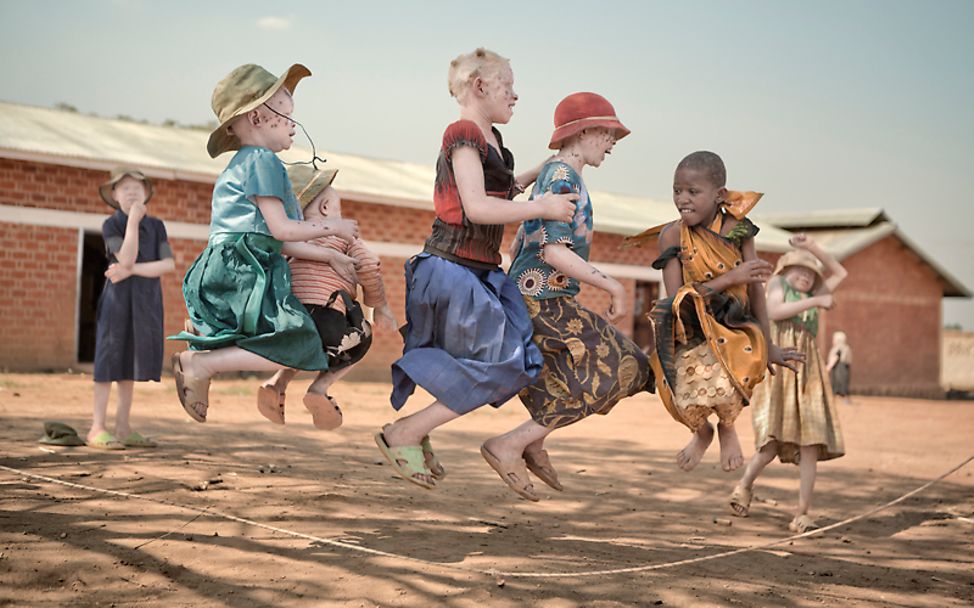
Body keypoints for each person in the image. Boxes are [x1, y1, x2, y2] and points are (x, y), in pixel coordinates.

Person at [375, 48, 578, 489]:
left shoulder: (493, 144)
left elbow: (500, 194)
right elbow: (476, 207)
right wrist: (541, 206)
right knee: (503, 363)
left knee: (519, 358)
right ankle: (405, 432)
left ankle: (417, 429)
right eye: (508, 85)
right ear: (480, 86)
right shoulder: (463, 133)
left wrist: (548, 167)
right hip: (453, 269)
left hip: (478, 273)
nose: (516, 95)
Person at [480, 92, 652, 501]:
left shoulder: (557, 173)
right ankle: (510, 444)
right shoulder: (563, 179)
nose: (611, 144)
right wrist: (612, 285)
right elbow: (554, 251)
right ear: (586, 131)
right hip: (544, 300)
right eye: (608, 134)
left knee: (557, 379)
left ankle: (533, 443)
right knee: (622, 367)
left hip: (529, 295)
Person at [168, 63, 359, 423]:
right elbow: (282, 229)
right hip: (245, 266)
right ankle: (200, 362)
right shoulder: (263, 161)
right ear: (257, 118)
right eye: (287, 116)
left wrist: (326, 257)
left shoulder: (249, 163)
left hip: (238, 260)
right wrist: (331, 227)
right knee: (294, 342)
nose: (293, 125)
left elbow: (278, 240)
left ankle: (205, 342)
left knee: (286, 339)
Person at [628, 151, 802, 473]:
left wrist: (769, 344)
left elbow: (755, 290)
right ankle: (703, 431)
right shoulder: (671, 235)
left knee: (728, 372)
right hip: (689, 323)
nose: (682, 199)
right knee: (677, 390)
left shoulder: (739, 230)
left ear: (719, 195)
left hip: (735, 323)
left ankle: (726, 427)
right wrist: (729, 278)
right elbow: (676, 296)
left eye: (693, 192)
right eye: (677, 190)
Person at [256, 164, 397, 428]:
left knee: (306, 343)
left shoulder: (291, 241)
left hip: (290, 318)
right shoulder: (342, 237)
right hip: (329, 319)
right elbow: (369, 265)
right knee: (360, 337)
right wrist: (379, 305)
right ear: (325, 209)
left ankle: (276, 383)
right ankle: (319, 388)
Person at [730, 235, 847, 533]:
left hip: (808, 372)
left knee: (810, 441)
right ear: (784, 271)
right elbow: (774, 311)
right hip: (781, 367)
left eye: (810, 273)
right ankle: (744, 486)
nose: (805, 276)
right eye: (798, 270)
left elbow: (841, 272)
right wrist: (818, 299)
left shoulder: (815, 292)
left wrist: (811, 249)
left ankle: (802, 513)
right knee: (770, 442)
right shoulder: (780, 286)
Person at [88, 168, 175, 449]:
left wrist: (130, 271)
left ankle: (123, 428)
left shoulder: (158, 226)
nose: (132, 192)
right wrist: (134, 222)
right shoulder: (110, 225)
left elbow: (167, 264)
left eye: (138, 186)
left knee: (129, 365)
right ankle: (97, 428)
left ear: (146, 193)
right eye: (124, 187)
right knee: (107, 362)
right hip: (117, 303)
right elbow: (124, 258)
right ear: (114, 195)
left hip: (145, 303)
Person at [826, 330, 853, 404]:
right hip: (844, 368)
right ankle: (844, 398)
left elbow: (836, 357)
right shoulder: (846, 347)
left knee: (840, 383)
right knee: (843, 383)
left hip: (840, 368)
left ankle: (842, 399)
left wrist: (829, 367)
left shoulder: (839, 348)